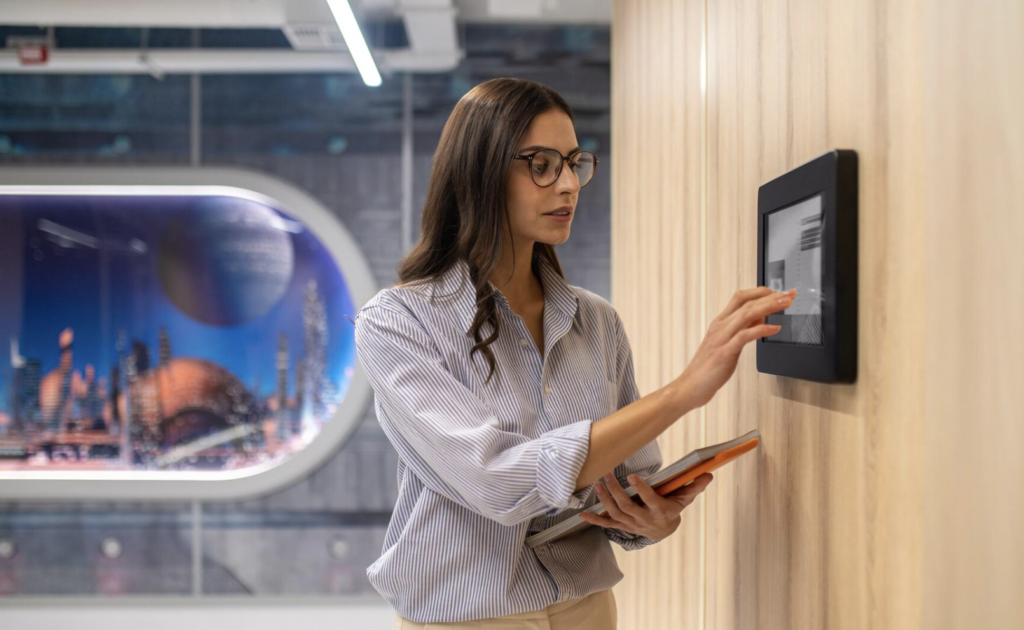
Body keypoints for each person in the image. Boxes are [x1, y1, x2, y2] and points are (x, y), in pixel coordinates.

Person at [353, 77, 793, 629]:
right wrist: (684, 393)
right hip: (468, 617)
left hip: (587, 609)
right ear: (480, 171)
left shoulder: (597, 321)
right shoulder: (399, 322)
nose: (567, 184)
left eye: (573, 162)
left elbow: (625, 481)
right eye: (541, 164)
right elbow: (495, 481)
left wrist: (648, 519)